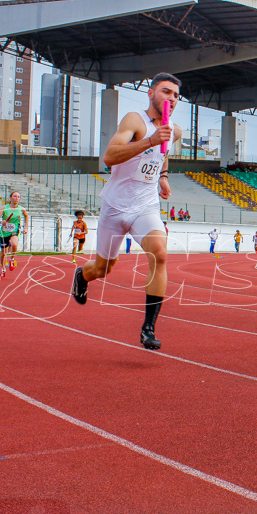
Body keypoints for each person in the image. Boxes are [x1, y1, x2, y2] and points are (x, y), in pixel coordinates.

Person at [71, 72, 183, 351]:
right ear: (151, 93)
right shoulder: (135, 120)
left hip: (145, 205)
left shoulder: (175, 130)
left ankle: (148, 328)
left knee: (160, 254)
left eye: (175, 95)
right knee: (103, 268)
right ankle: (81, 276)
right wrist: (150, 140)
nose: (171, 98)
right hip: (115, 206)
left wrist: (163, 176)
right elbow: (109, 157)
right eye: (166, 92)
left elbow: (163, 154)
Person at [0, 191, 29, 278]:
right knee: (3, 253)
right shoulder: (4, 208)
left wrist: (26, 227)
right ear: (10, 198)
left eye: (18, 197)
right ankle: (3, 270)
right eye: (14, 196)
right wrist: (1, 221)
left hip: (15, 230)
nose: (16, 198)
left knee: (14, 243)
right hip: (4, 232)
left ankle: (12, 259)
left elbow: (26, 216)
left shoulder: (21, 209)